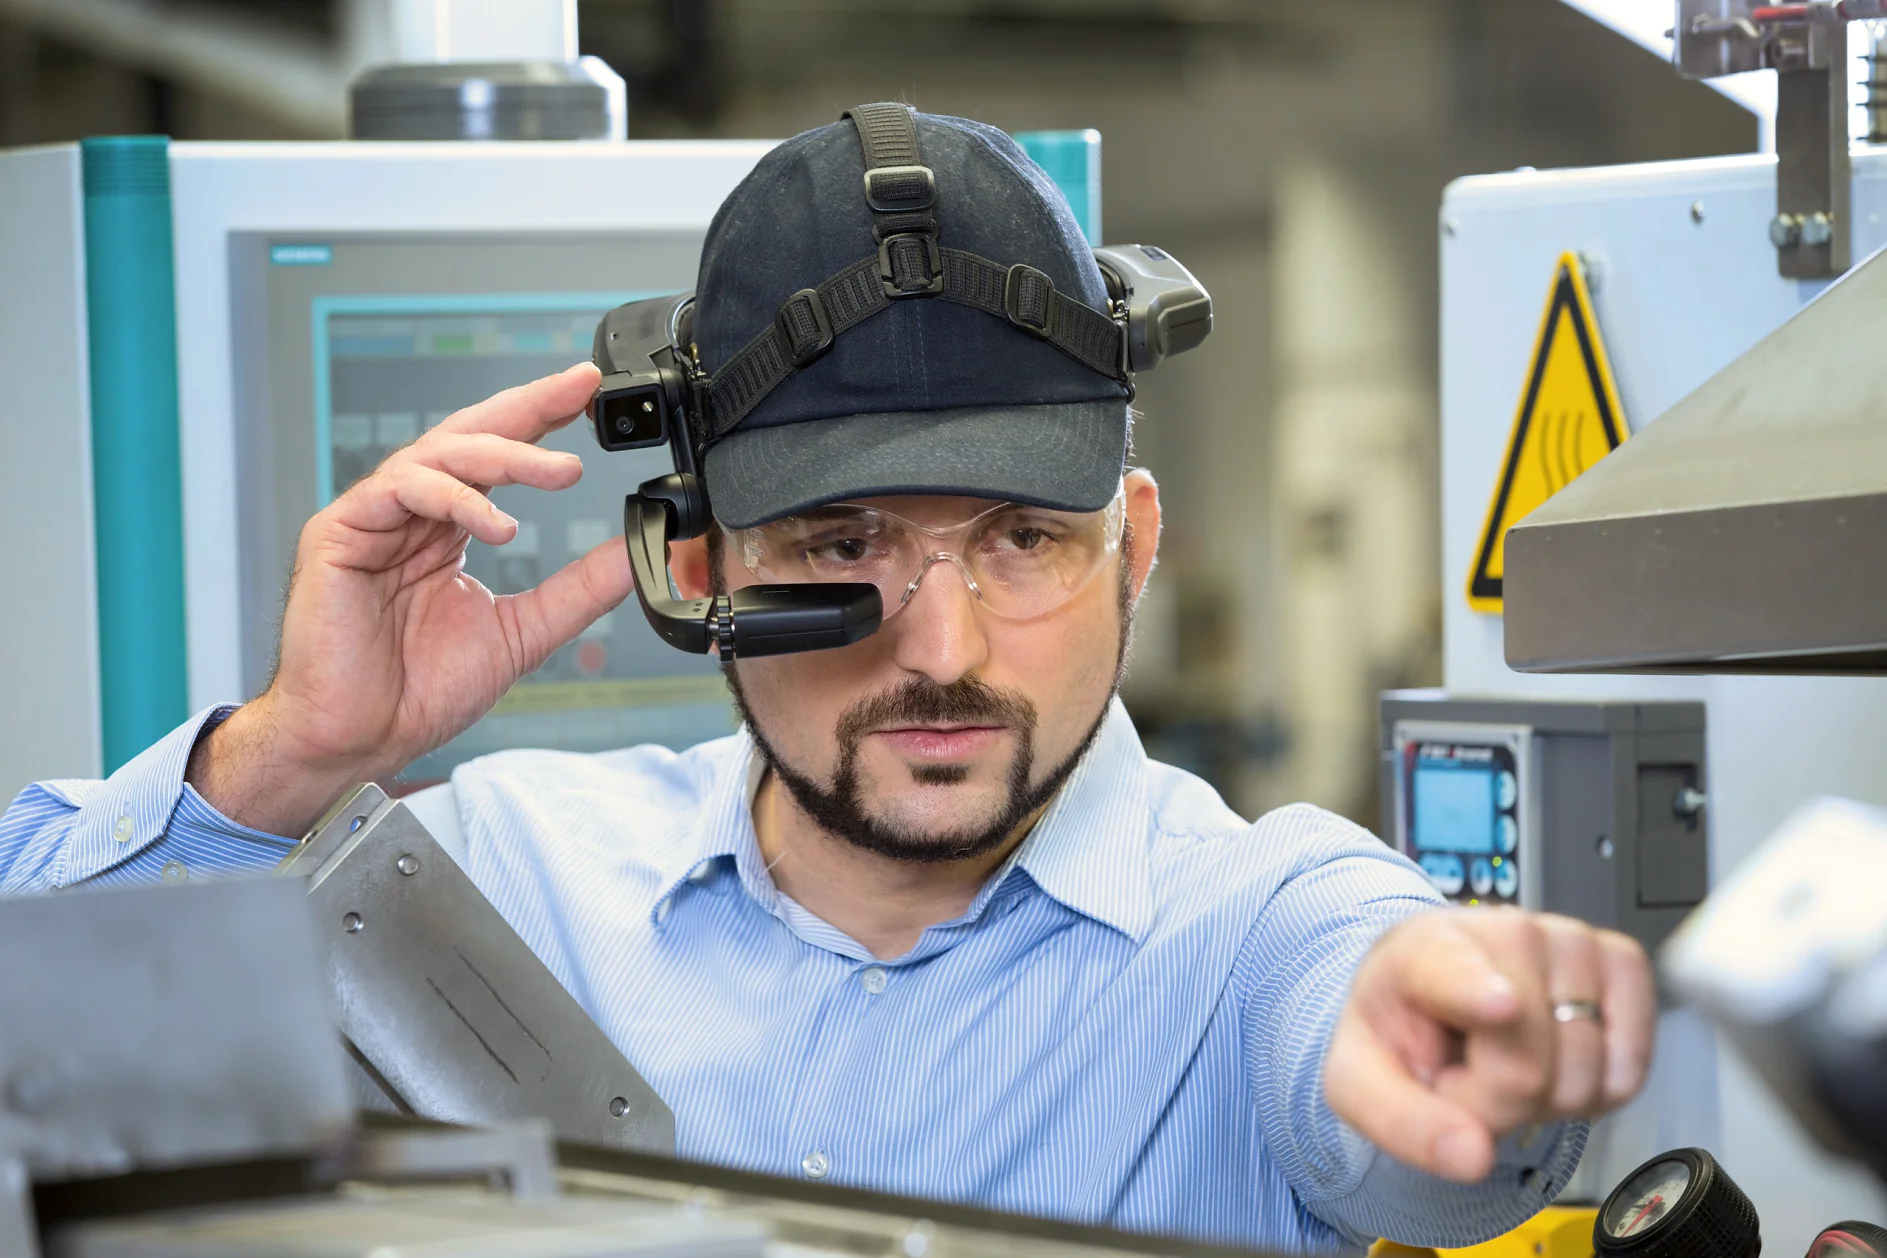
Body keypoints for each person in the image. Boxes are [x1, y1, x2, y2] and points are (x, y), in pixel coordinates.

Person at [0, 105, 1651, 1253]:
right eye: (839, 544)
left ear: (1133, 542)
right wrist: (286, 757)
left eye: (1021, 541)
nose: (939, 650)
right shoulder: (494, 888)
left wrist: (1469, 1057)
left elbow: (1387, 1053)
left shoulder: (1256, 931)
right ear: (702, 565)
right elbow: (42, 1098)